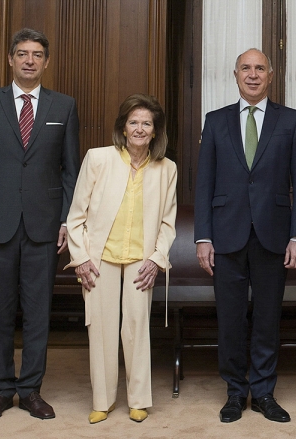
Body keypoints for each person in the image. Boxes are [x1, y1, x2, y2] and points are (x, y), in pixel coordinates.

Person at [0, 28, 80, 422]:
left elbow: (70, 172)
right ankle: (1, 389)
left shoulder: (63, 107)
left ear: (47, 61)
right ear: (10, 59)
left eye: (37, 54)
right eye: (23, 54)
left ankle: (30, 390)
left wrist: (66, 219)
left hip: (44, 228)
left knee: (37, 310)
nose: (30, 60)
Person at [194, 48, 296, 423]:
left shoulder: (291, 121)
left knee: (266, 319)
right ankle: (234, 392)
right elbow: (204, 184)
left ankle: (263, 392)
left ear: (271, 75)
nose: (253, 74)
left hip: (273, 236)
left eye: (260, 68)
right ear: (235, 75)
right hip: (225, 236)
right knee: (230, 320)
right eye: (246, 68)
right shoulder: (215, 121)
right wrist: (203, 238)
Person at [65, 94, 177, 424]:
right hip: (100, 259)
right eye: (133, 122)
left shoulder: (166, 168)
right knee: (100, 329)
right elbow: (75, 217)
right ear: (123, 128)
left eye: (147, 123)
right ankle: (103, 400)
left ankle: (139, 399)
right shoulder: (98, 159)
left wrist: (157, 260)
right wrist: (81, 258)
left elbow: (169, 222)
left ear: (155, 131)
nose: (139, 128)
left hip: (142, 261)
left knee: (136, 328)